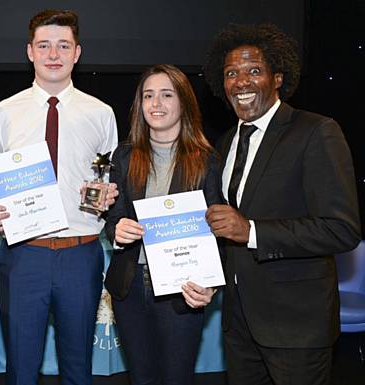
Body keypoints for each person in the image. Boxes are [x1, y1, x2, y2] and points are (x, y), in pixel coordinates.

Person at [202, 24, 361, 385]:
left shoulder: (316, 131)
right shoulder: (225, 143)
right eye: (231, 73)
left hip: (296, 325)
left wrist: (253, 231)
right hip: (239, 322)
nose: (241, 82)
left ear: (277, 78)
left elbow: (342, 229)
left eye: (253, 71)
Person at [0, 9, 119, 385]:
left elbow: (108, 180)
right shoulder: (4, 113)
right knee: (21, 369)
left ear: (77, 52)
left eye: (63, 45)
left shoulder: (102, 113)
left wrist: (109, 195)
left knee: (78, 368)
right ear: (30, 51)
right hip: (24, 254)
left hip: (81, 252)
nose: (53, 54)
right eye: (44, 45)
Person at [103, 64, 221, 385]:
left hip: (180, 291)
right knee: (141, 378)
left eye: (166, 95)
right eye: (148, 96)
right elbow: (112, 219)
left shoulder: (206, 160)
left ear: (183, 102)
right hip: (130, 288)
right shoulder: (125, 156)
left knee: (175, 378)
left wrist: (210, 281)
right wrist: (117, 231)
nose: (156, 104)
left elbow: (218, 230)